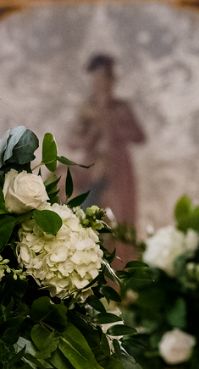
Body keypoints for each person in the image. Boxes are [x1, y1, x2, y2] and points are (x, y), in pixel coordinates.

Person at [69, 54, 146, 235]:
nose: (100, 84)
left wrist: (113, 123)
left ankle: (122, 260)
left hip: (119, 166)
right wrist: (93, 128)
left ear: (112, 81)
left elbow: (139, 136)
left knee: (119, 215)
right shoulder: (87, 108)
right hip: (92, 167)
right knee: (91, 212)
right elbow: (73, 141)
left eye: (104, 78)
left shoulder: (121, 108)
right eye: (96, 79)